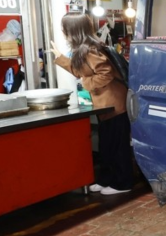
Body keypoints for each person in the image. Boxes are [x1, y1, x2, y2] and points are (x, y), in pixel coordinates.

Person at [51, 13, 133, 195]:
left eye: (64, 29)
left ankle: (122, 183)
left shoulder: (91, 49)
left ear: (73, 30)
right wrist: (60, 58)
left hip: (115, 104)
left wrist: (86, 83)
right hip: (105, 105)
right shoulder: (84, 49)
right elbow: (81, 71)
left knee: (117, 146)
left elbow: (105, 73)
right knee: (106, 146)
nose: (63, 32)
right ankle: (106, 180)